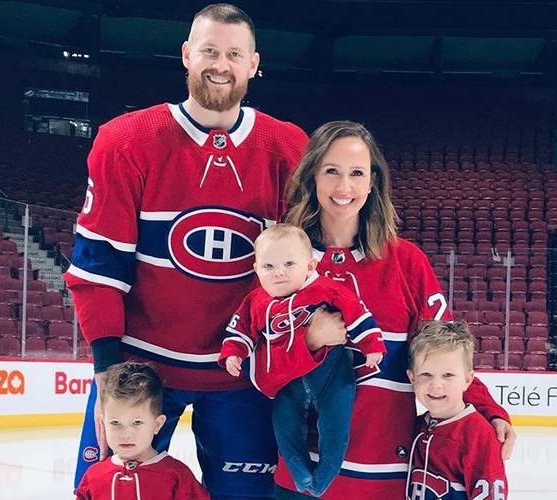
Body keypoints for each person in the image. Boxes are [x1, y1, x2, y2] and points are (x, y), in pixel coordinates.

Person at [64, 4, 318, 498]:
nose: (219, 64)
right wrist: (107, 372)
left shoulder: (288, 148)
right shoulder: (126, 140)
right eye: (208, 51)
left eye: (233, 53)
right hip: (140, 370)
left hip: (241, 371)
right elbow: (98, 268)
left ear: (253, 63)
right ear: (186, 55)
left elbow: (305, 273)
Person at [276, 120, 517, 499]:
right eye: (331, 172)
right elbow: (261, 368)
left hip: (385, 474)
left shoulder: (406, 262)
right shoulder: (283, 263)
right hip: (302, 476)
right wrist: (307, 342)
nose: (344, 187)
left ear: (372, 182)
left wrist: (489, 411)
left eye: (356, 173)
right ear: (312, 178)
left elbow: (444, 350)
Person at [220, 223, 385, 496]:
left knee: (335, 428)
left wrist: (371, 343)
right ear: (256, 269)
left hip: (332, 377)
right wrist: (233, 352)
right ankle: (301, 475)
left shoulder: (326, 289)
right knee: (284, 428)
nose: (279, 272)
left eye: (288, 263)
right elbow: (239, 328)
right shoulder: (255, 301)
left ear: (309, 267)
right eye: (268, 266)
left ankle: (323, 479)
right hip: (289, 384)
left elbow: (356, 312)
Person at [75, 362, 210, 500]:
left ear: (157, 425)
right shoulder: (94, 476)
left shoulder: (177, 476)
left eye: (137, 423)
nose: (125, 434)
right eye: (115, 423)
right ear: (103, 423)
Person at [405, 321, 508, 500]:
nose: (436, 385)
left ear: (468, 380)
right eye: (426, 375)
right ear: (412, 377)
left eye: (448, 375)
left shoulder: (478, 435)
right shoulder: (418, 426)